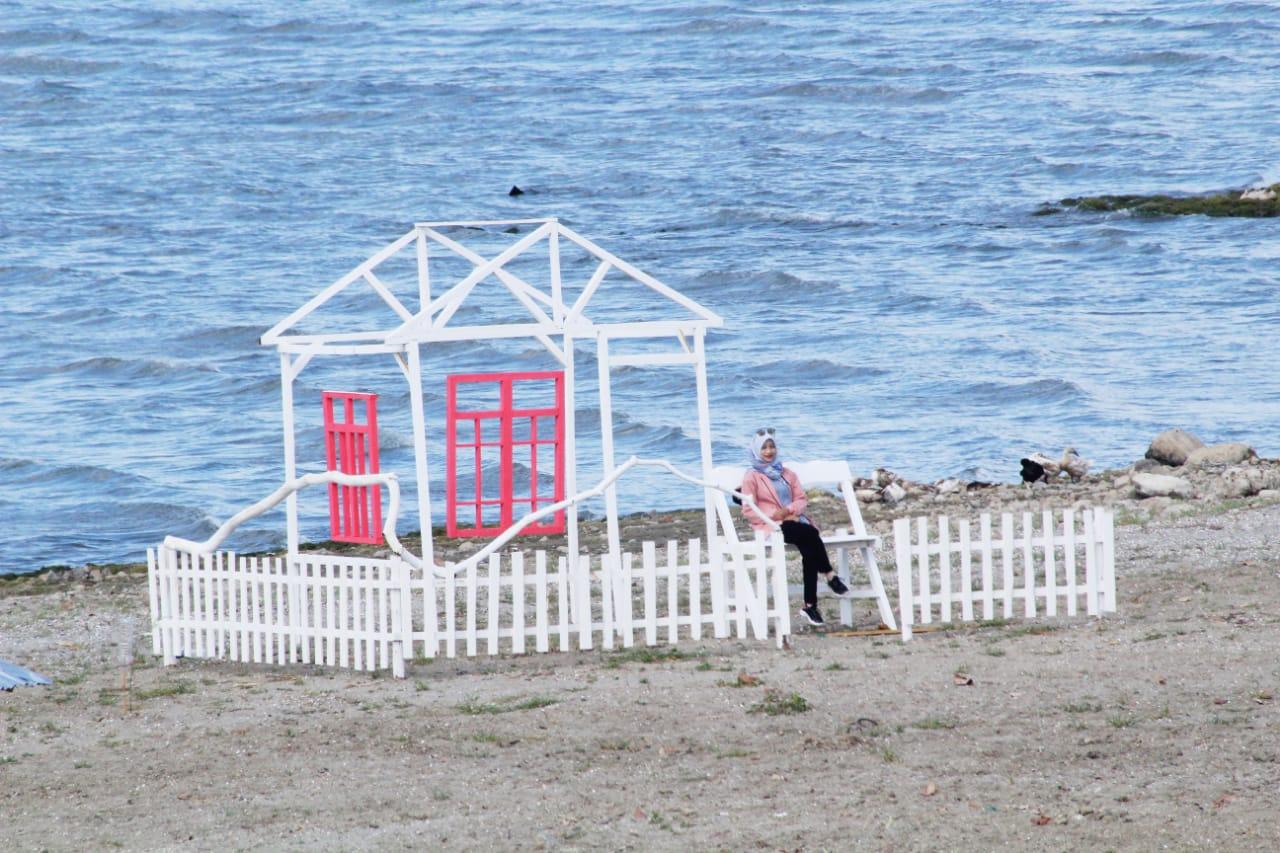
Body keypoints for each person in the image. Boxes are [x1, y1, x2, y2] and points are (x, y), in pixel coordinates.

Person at [739, 428, 849, 626]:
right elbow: (748, 510)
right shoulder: (751, 476)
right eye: (764, 447)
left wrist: (790, 510)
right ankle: (830, 575)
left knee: (809, 545)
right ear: (756, 450)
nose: (769, 451)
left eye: (772, 446)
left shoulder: (787, 473)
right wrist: (776, 515)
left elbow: (801, 499)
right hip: (771, 526)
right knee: (811, 534)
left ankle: (810, 606)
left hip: (795, 521)